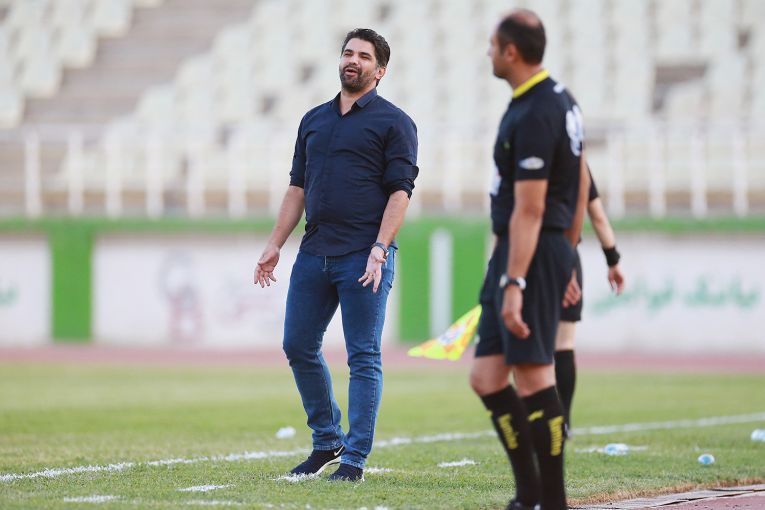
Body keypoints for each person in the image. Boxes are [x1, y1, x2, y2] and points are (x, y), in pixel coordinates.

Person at [253, 28, 418, 482]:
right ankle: (327, 440)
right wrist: (274, 243)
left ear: (379, 71)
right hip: (314, 251)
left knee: (362, 356)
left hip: (364, 256)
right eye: (348, 52)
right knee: (297, 345)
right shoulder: (314, 120)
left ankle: (354, 458)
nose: (353, 60)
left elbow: (400, 192)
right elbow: (297, 187)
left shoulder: (395, 122)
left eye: (364, 56)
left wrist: (380, 248)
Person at [469, 9, 589, 510]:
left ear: (511, 51)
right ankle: (530, 494)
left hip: (532, 253)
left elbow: (532, 207)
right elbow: (582, 182)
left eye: (493, 45)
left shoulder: (540, 108)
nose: (488, 52)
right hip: (525, 251)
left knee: (535, 374)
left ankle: (550, 501)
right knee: (486, 377)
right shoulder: (550, 100)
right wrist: (567, 254)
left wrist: (517, 280)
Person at [556, 172, 626, 430]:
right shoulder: (578, 166)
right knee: (564, 343)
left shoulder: (532, 156)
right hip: (568, 254)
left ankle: (537, 422)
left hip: (535, 254)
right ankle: (563, 422)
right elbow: (598, 216)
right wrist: (613, 261)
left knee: (530, 344)